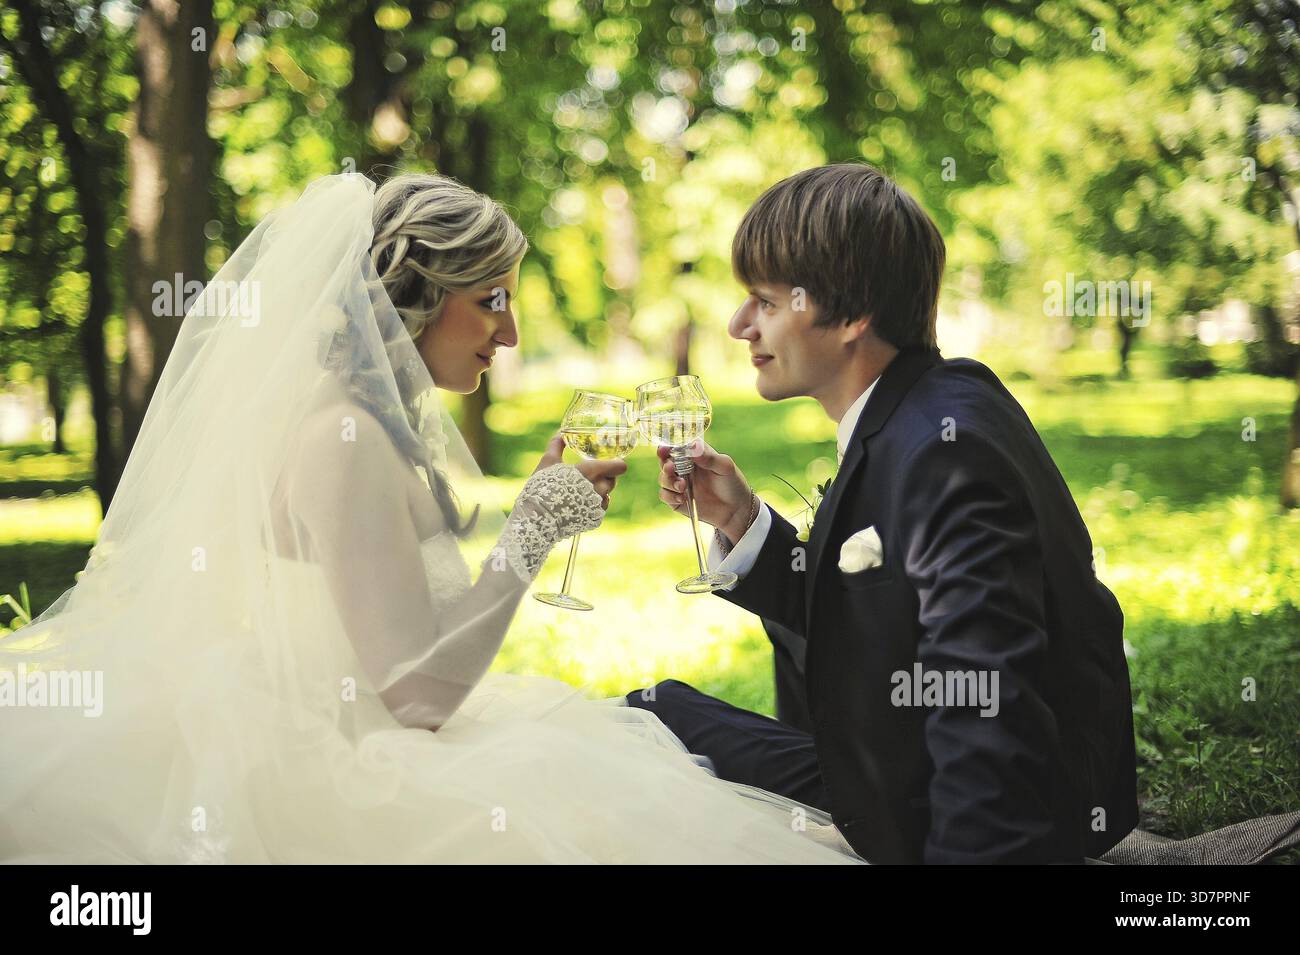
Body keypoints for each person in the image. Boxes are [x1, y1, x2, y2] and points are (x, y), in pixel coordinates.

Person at [0, 172, 859, 864]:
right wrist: (527, 539)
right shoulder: (342, 437)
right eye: (491, 299)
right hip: (340, 763)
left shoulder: (364, 420)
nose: (512, 331)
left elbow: (405, 642)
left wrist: (539, 519)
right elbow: (414, 696)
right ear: (414, 294)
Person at [631, 163, 1140, 864]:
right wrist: (744, 522)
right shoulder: (917, 410)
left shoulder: (943, 449)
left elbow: (988, 700)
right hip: (896, 763)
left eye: (766, 301)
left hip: (959, 808)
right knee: (650, 711)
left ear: (853, 315)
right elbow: (869, 617)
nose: (738, 324)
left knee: (636, 743)